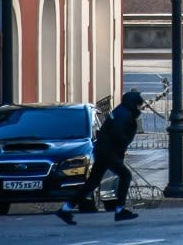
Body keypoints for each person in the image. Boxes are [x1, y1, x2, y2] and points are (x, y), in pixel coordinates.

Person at [57, 89, 145, 225]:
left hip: (103, 151)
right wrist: (119, 153)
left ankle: (66, 209)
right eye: (139, 105)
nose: (140, 108)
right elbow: (119, 137)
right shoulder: (125, 116)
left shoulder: (121, 111)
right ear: (134, 104)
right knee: (125, 176)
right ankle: (120, 209)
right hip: (108, 152)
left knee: (93, 182)